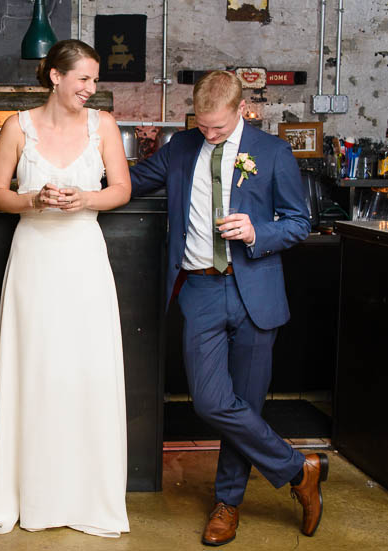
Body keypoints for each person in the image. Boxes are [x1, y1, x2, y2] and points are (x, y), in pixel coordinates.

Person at [129, 70, 326, 546]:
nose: (209, 135)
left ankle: (227, 503)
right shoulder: (181, 147)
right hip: (199, 290)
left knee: (247, 404)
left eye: (218, 128)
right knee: (213, 401)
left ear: (241, 110)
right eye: (202, 125)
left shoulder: (274, 152)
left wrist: (259, 231)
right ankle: (299, 468)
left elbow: (300, 221)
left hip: (255, 289)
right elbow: (131, 182)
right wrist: (79, 163)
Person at [0, 39, 132, 538]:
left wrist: (86, 197)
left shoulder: (103, 125)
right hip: (35, 260)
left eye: (94, 80)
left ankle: (87, 496)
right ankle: (29, 493)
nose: (91, 89)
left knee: (85, 371)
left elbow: (122, 189)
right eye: (83, 79)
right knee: (37, 369)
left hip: (84, 257)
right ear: (55, 77)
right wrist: (33, 201)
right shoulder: (17, 127)